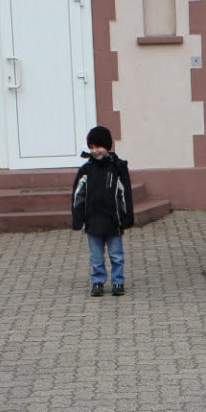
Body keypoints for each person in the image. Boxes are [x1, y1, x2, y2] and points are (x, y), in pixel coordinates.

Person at [70, 125, 134, 297]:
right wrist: (77, 218)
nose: (95, 151)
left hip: (113, 221)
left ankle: (118, 281)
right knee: (96, 256)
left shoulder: (117, 168)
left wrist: (126, 216)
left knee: (116, 255)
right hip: (93, 221)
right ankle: (97, 281)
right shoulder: (86, 170)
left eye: (98, 146)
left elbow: (125, 194)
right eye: (91, 147)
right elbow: (78, 195)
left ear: (107, 146)